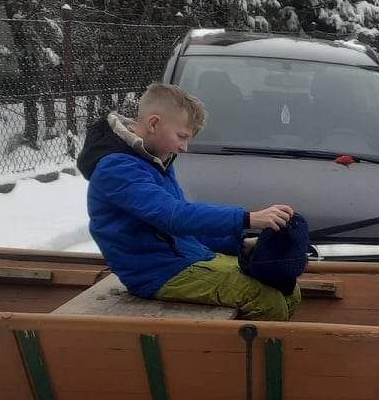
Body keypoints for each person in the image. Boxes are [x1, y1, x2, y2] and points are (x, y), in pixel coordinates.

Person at [77, 83, 301, 321]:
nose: (184, 147)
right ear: (153, 124)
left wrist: (241, 243)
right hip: (157, 273)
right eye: (181, 136)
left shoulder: (154, 159)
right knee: (267, 300)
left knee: (288, 290)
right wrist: (248, 218)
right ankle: (238, 357)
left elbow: (184, 231)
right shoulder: (118, 168)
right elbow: (175, 216)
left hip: (184, 259)